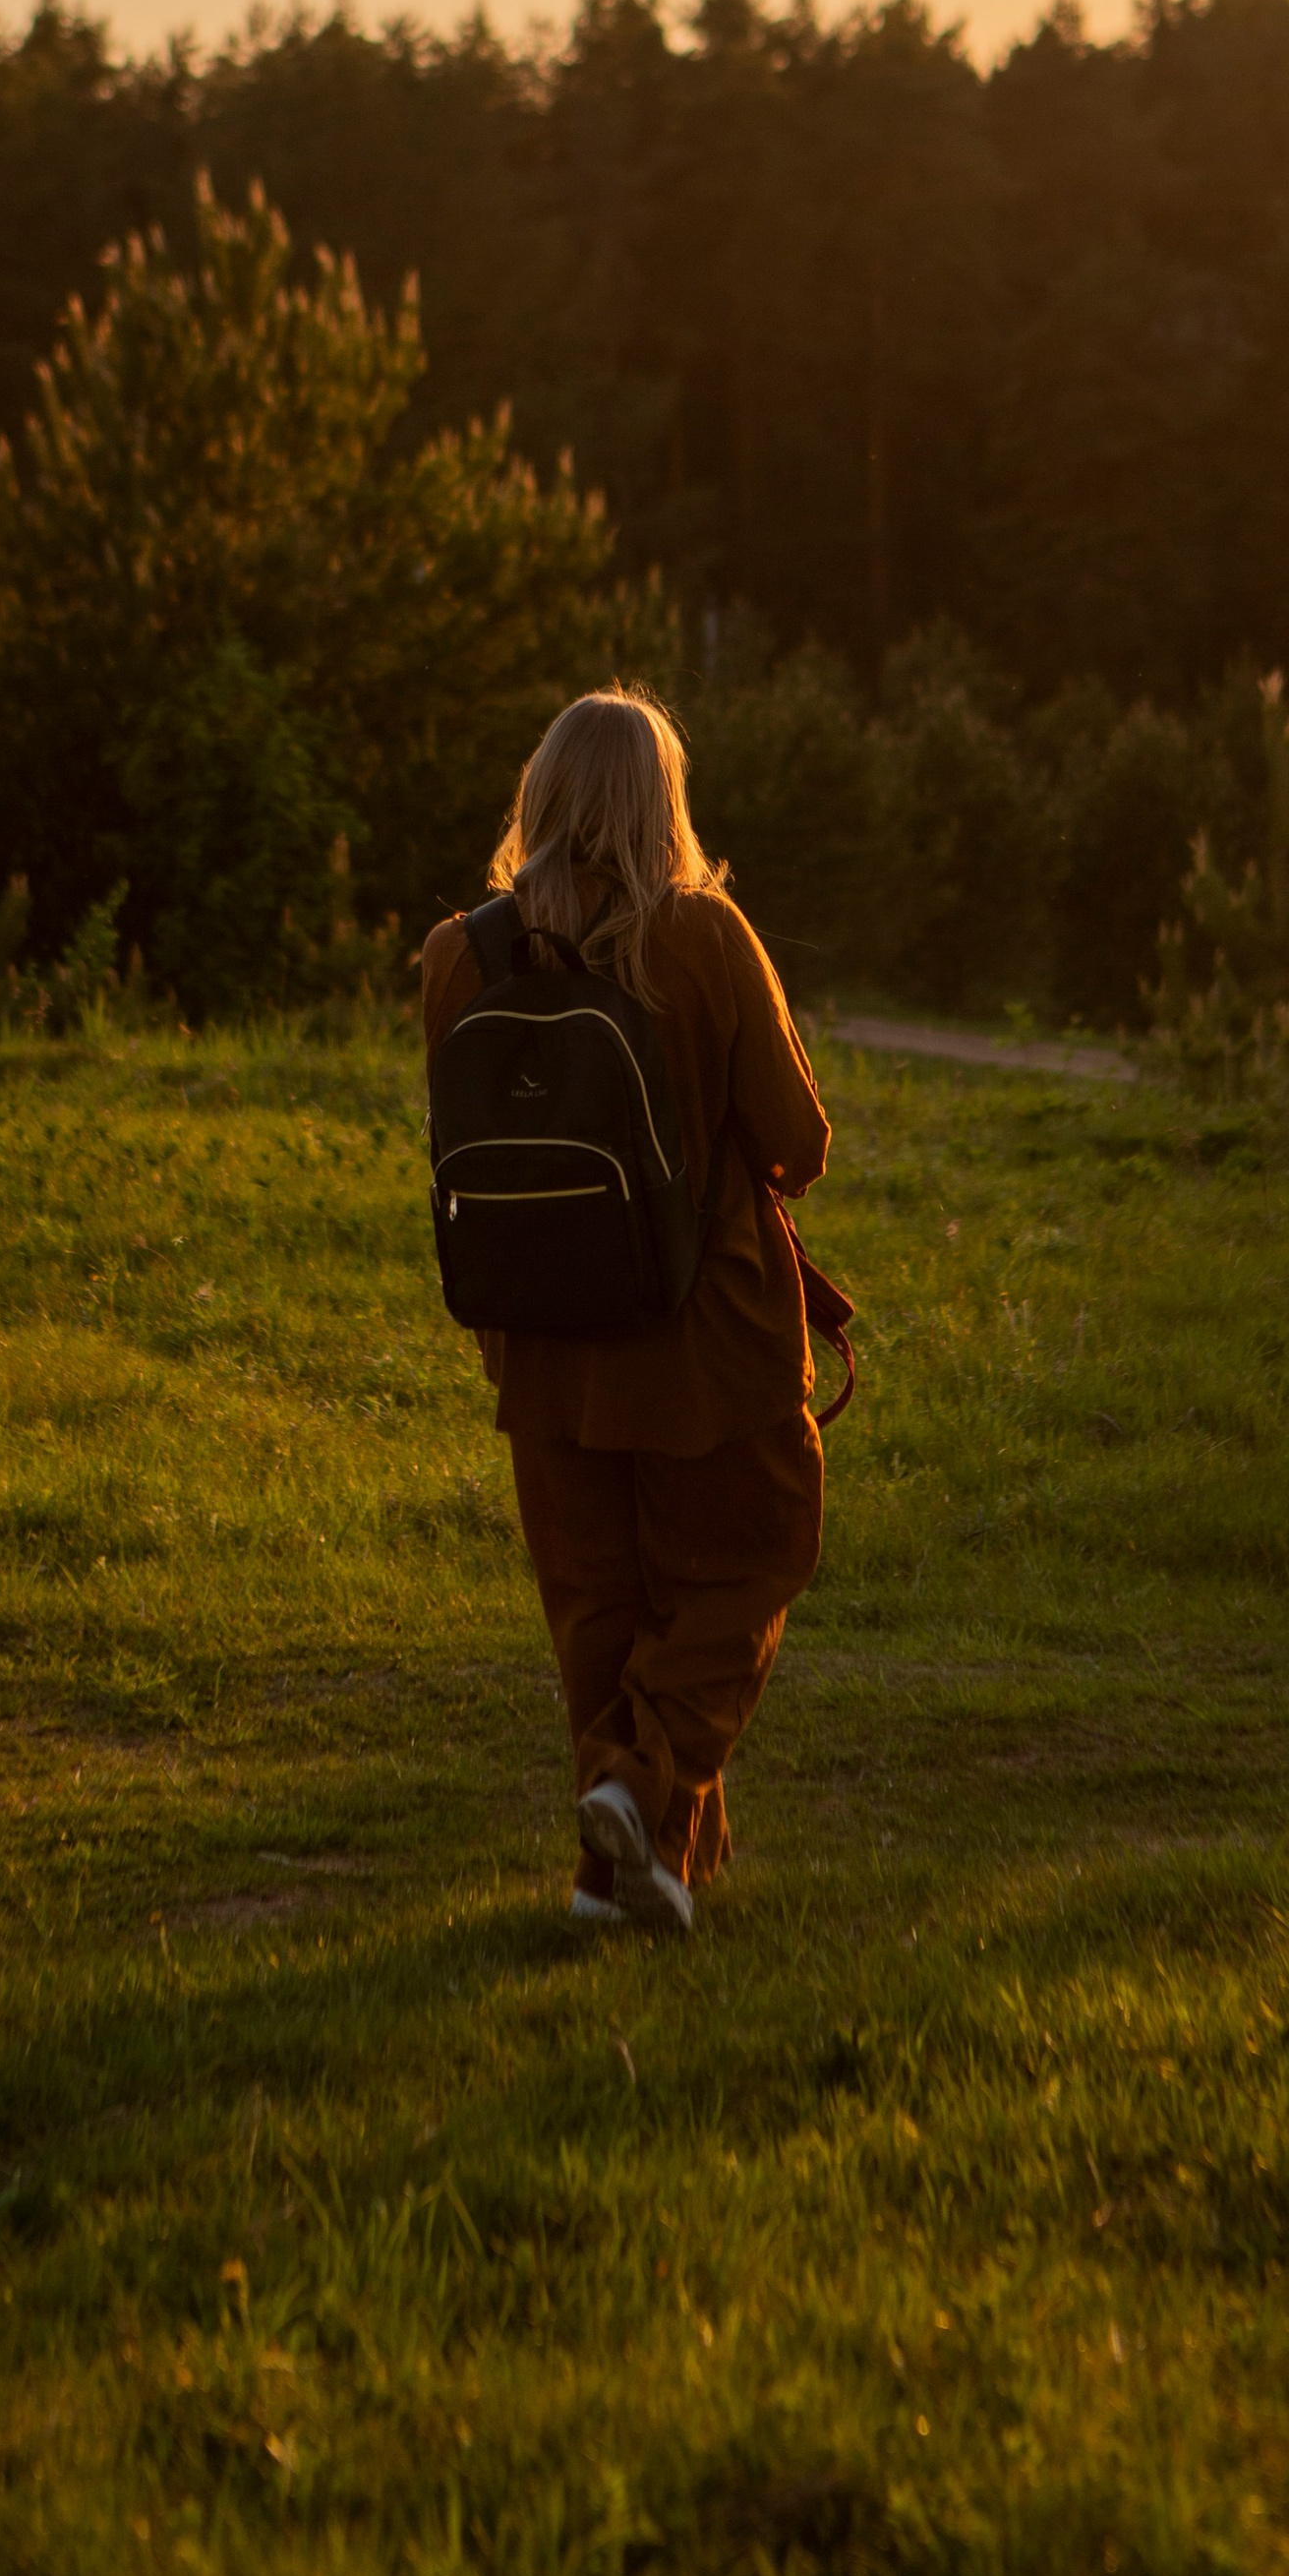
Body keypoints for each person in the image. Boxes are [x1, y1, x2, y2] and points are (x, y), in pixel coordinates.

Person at [420, 686, 831, 1935]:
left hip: (541, 1354)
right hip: (708, 1350)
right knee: (749, 1565)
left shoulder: (458, 956)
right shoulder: (700, 937)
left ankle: (626, 1875)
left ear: (538, 798)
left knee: (598, 1617)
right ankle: (636, 1795)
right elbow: (797, 1142)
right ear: (663, 805)